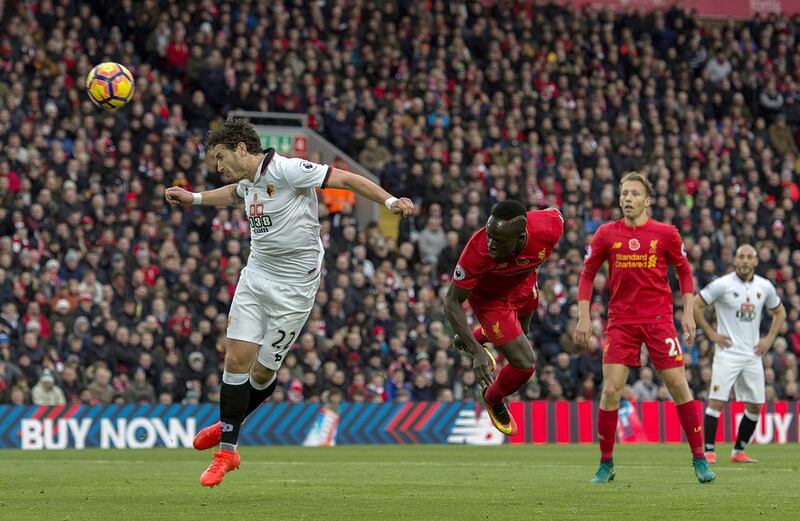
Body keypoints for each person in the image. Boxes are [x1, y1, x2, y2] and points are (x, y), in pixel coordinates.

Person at [165, 118, 413, 487]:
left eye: (220, 158)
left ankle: (228, 421)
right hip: (256, 276)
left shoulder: (288, 170)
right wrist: (196, 198)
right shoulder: (248, 181)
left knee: (263, 374)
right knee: (235, 359)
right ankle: (227, 453)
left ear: (241, 149)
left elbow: (345, 180)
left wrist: (390, 201)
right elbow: (235, 192)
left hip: (295, 289)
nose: (218, 168)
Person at [575, 172, 715, 484]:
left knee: (679, 386)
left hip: (659, 321)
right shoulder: (605, 234)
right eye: (624, 193)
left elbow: (685, 273)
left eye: (634, 194)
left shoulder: (666, 234)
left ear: (647, 200)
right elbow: (586, 275)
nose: (627, 198)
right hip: (621, 322)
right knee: (610, 390)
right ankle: (606, 463)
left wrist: (688, 313)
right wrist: (584, 316)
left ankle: (699, 459)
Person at [444, 200, 563, 435]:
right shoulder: (478, 250)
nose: (491, 243)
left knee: (522, 332)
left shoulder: (550, 226)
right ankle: (492, 398)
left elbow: (557, 214)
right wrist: (477, 353)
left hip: (523, 281)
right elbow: (451, 302)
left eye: (498, 240)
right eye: (489, 235)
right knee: (525, 364)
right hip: (490, 301)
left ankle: (476, 336)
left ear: (520, 237)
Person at [694, 244, 786, 464]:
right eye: (741, 257)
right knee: (716, 401)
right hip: (727, 353)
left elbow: (779, 312)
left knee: (755, 405)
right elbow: (696, 305)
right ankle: (708, 452)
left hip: (752, 354)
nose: (745, 261)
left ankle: (738, 451)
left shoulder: (765, 286)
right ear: (735, 260)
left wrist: (769, 339)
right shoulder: (722, 284)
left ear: (755, 261)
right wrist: (712, 334)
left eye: (749, 257)